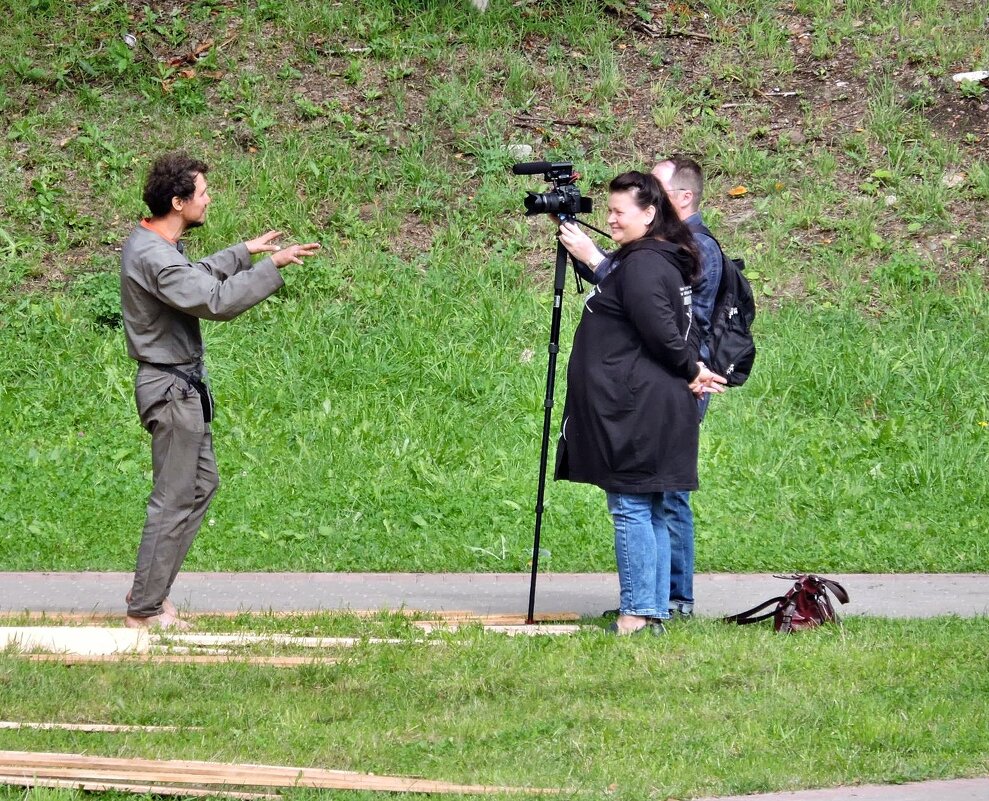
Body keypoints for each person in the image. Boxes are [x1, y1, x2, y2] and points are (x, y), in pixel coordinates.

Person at [120, 151, 320, 629]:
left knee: (199, 486)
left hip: (182, 388)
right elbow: (214, 300)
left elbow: (196, 278)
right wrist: (274, 266)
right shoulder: (154, 256)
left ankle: (150, 589)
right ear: (178, 200)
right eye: (203, 193)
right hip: (171, 392)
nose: (209, 200)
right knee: (174, 496)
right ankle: (144, 609)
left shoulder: (156, 246)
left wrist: (243, 251)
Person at [554, 171, 725, 636]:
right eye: (609, 211)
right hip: (645, 404)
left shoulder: (646, 264)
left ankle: (636, 614)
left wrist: (693, 370)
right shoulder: (650, 259)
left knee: (631, 507)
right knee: (646, 506)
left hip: (638, 409)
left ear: (650, 214)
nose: (611, 220)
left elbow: (662, 331)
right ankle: (654, 610)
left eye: (619, 213)